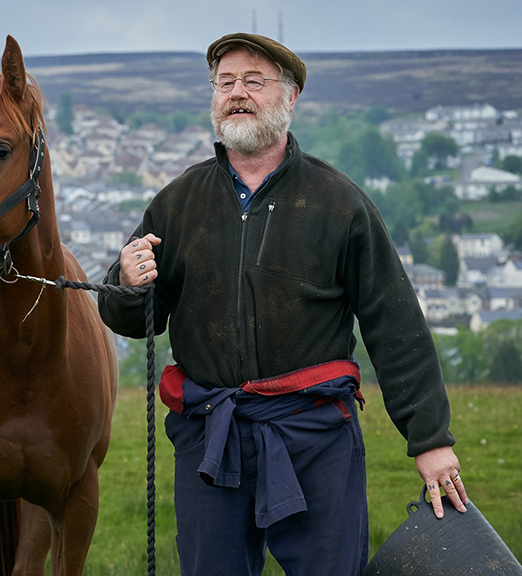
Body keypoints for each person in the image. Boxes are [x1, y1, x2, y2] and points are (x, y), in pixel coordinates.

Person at [97, 34, 469, 576]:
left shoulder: (338, 201)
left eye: (254, 81)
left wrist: (429, 440)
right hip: (210, 440)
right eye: (225, 82)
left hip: (314, 439)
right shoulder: (177, 202)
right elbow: (129, 317)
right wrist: (128, 283)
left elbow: (395, 323)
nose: (237, 93)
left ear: (290, 97)